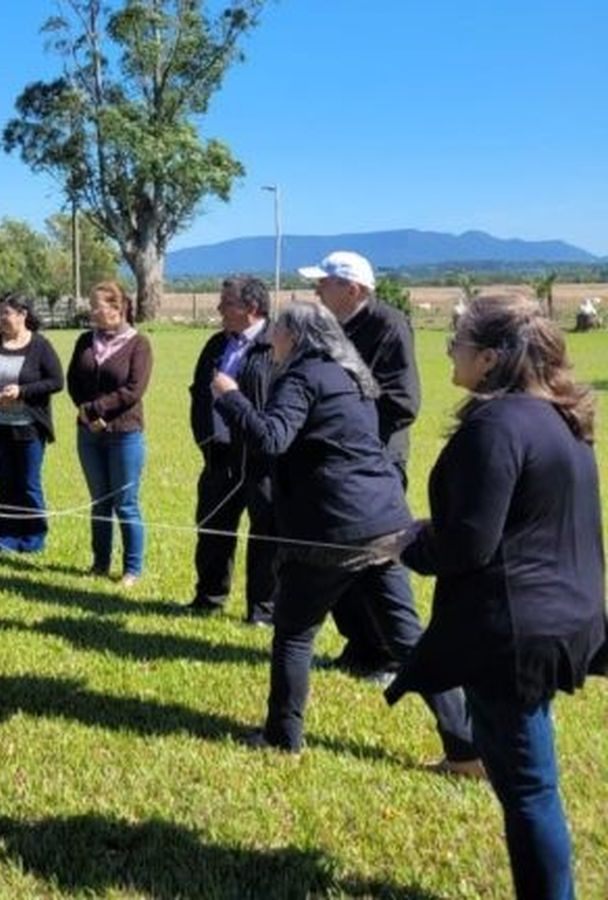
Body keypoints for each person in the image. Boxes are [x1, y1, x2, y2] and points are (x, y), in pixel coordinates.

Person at [387, 294, 606, 900]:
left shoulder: (495, 424)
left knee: (531, 791)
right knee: (530, 779)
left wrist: (413, 542)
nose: (448, 352)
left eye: (456, 343)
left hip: (516, 630)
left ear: (488, 358)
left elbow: (470, 544)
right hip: (563, 614)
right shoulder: (560, 416)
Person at [211, 299, 478, 768]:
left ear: (296, 336)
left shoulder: (303, 376)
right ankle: (466, 747)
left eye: (277, 331)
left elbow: (272, 437)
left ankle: (281, 736)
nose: (270, 339)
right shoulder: (352, 376)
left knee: (294, 635)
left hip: (332, 530)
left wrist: (230, 397)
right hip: (383, 521)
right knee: (410, 639)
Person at [301, 250, 411, 681]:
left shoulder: (389, 326)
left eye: (324, 283)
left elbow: (404, 402)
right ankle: (361, 644)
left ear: (353, 289)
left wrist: (347, 427)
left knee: (375, 564)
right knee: (334, 555)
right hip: (335, 464)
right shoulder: (331, 327)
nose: (316, 290)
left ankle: (389, 655)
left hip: (374, 464)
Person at [186, 277, 277, 623]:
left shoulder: (275, 345)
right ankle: (209, 597)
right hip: (219, 456)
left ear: (250, 308)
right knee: (212, 526)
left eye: (227, 304)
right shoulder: (215, 344)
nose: (219, 309)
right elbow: (199, 393)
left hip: (261, 457)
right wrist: (206, 439)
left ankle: (262, 610)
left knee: (266, 532)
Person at [0, 293, 64, 553]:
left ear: (23, 315)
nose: (1, 319)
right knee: (6, 485)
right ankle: (6, 539)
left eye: (6, 314)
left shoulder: (40, 346)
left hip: (29, 428)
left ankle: (33, 540)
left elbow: (56, 381)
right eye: (0, 314)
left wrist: (22, 391)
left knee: (29, 483)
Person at [68, 281, 151, 586]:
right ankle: (100, 563)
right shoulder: (84, 341)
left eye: (96, 305)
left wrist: (98, 411)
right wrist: (86, 413)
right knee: (99, 501)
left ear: (117, 308)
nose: (91, 311)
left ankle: (132, 569)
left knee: (125, 502)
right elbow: (73, 381)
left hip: (124, 433)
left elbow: (133, 389)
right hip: (88, 434)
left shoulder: (139, 344)